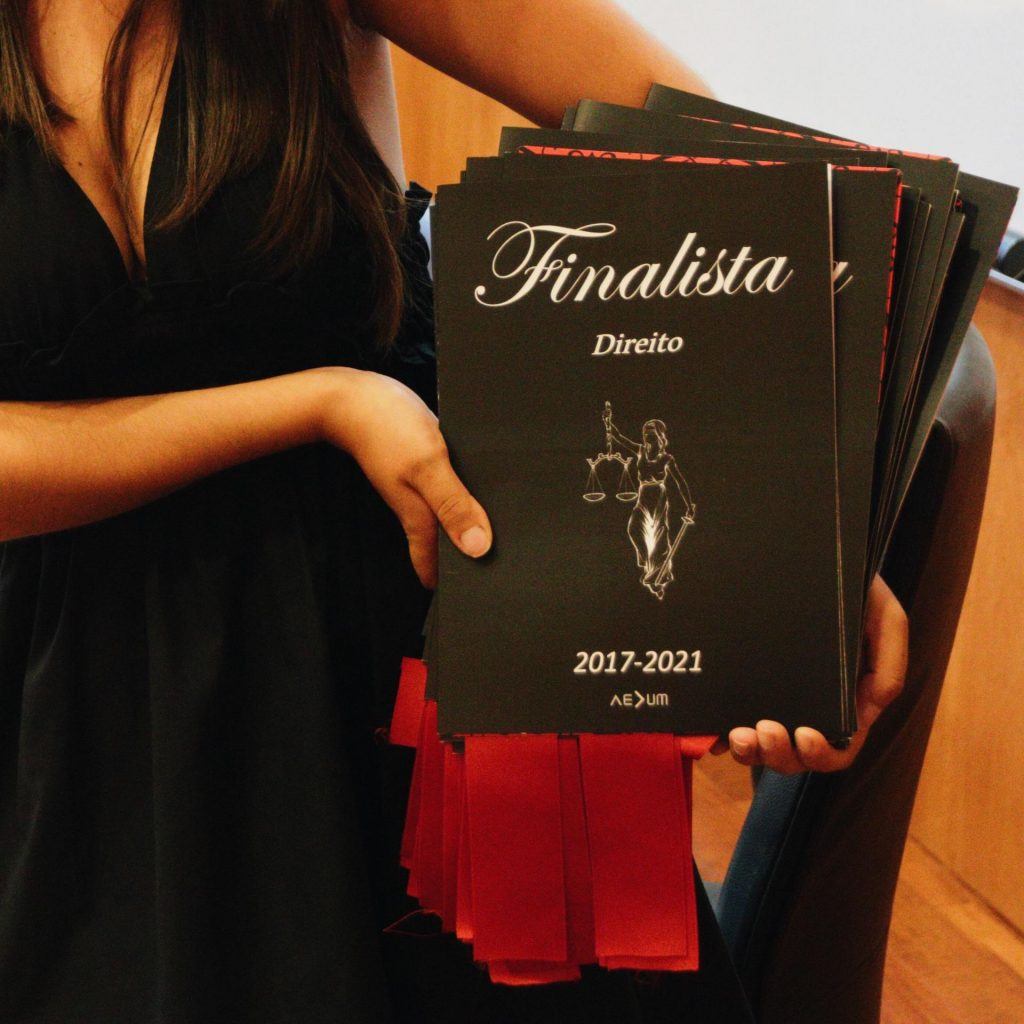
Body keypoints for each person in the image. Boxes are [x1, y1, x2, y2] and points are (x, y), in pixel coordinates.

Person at [0, 1, 908, 1020]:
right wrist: (317, 403)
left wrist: (794, 511)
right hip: (67, 707)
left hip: (408, 635)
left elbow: (720, 162)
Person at [603, 408, 695, 600]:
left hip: (658, 496)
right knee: (634, 529)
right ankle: (649, 565)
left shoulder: (667, 459)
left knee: (660, 535)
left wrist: (689, 505)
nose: (646, 436)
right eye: (645, 432)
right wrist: (608, 422)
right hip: (643, 494)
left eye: (651, 432)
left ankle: (657, 579)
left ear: (659, 436)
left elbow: (680, 482)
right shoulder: (640, 451)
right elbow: (619, 437)